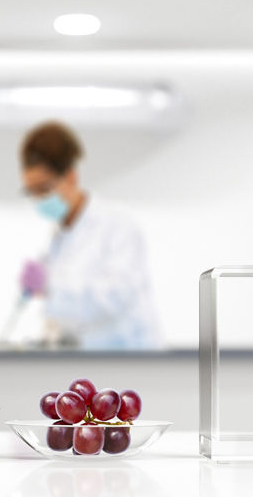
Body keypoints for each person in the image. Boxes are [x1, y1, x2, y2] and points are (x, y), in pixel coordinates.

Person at [17, 121, 160, 349]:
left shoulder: (117, 225)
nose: (39, 200)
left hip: (129, 355)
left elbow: (116, 297)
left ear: (71, 177)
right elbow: (64, 314)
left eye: (44, 189)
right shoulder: (59, 237)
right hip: (87, 359)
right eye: (31, 192)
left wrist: (50, 286)